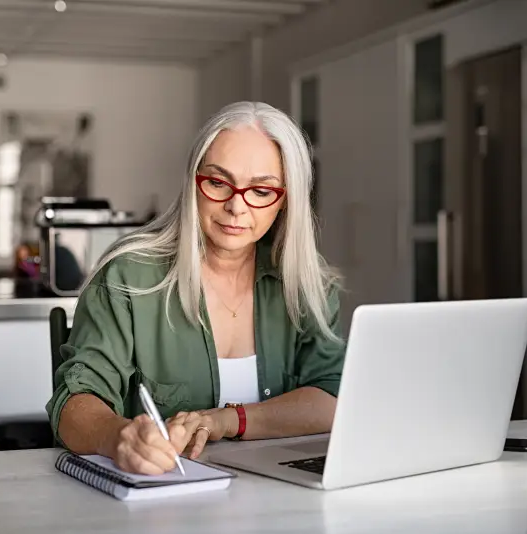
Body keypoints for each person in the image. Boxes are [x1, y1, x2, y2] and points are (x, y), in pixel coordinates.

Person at [46, 101, 345, 475]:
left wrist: (226, 420)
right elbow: (74, 402)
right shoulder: (127, 276)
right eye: (219, 183)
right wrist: (117, 436)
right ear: (194, 182)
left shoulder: (307, 283)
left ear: (285, 201)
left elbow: (332, 397)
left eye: (261, 191)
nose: (237, 206)